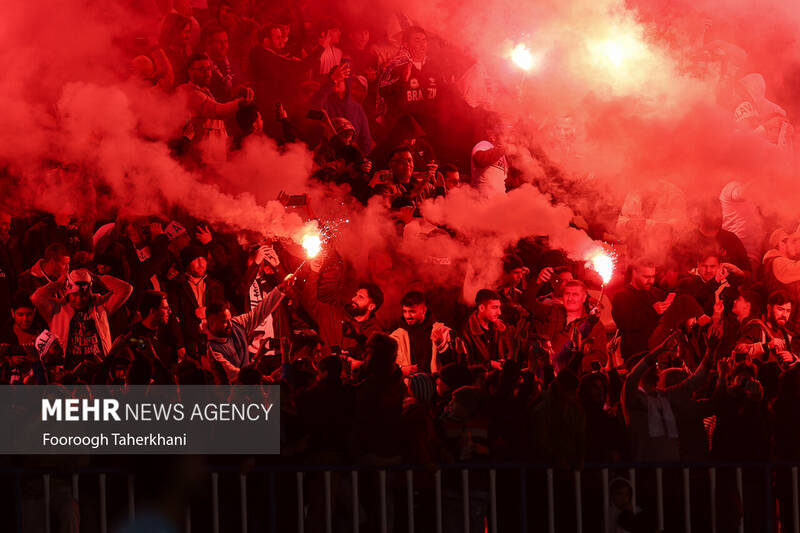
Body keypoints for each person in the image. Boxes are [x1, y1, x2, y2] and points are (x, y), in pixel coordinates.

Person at [31, 269, 132, 370]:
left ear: (89, 293)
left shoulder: (100, 306)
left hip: (99, 370)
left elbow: (126, 289)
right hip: (67, 372)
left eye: (83, 295)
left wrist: (97, 278)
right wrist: (59, 283)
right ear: (68, 292)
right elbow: (36, 298)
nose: (79, 300)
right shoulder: (57, 309)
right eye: (75, 294)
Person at [205, 275, 293, 382]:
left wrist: (281, 288)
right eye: (224, 322)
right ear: (212, 323)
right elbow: (236, 374)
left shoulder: (236, 323)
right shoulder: (214, 350)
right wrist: (265, 379)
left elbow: (260, 311)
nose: (230, 324)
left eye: (230, 319)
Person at [299, 257, 384, 359]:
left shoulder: (375, 334)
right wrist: (314, 272)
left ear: (371, 306)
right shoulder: (333, 314)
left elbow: (376, 364)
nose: (354, 299)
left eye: (360, 297)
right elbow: (309, 302)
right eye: (356, 295)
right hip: (325, 373)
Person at [177, 53, 254, 164]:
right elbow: (217, 111)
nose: (207, 73)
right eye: (201, 69)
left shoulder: (204, 91)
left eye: (208, 69)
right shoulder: (189, 93)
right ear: (189, 71)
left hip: (212, 156)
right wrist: (240, 102)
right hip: (202, 158)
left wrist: (237, 94)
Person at [536, 280, 608, 374]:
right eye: (567, 294)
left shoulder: (595, 325)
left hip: (573, 381)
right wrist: (538, 282)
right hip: (545, 377)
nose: (570, 298)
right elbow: (526, 301)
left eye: (575, 294)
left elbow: (600, 356)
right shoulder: (552, 312)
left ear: (584, 297)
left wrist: (573, 364)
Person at [168, 244, 225, 359]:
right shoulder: (177, 286)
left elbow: (224, 311)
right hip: (191, 343)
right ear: (188, 263)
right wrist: (180, 344)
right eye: (196, 259)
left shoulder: (215, 285)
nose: (201, 263)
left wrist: (208, 312)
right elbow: (172, 316)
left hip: (215, 342)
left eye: (203, 259)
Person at [611, 259, 673, 360]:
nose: (651, 281)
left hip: (660, 351)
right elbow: (624, 323)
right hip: (637, 353)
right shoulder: (622, 295)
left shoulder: (657, 293)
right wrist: (653, 311)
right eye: (646, 277)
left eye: (653, 276)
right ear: (634, 273)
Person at [389, 290, 454, 375]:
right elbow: (384, 367)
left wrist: (442, 346)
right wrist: (401, 370)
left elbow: (455, 365)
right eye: (405, 311)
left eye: (412, 311)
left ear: (424, 310)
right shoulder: (395, 337)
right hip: (407, 387)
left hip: (435, 386)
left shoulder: (444, 332)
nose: (407, 316)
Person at [735, 290, 797, 366]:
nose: (784, 315)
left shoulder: (788, 335)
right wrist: (767, 346)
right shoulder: (756, 328)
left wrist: (792, 358)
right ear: (769, 308)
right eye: (780, 309)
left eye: (788, 311)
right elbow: (739, 351)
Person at [126, 290, 185, 370]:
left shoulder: (168, 333)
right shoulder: (134, 336)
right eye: (165, 308)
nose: (170, 311)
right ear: (153, 311)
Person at [459, 289, 515, 367]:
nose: (499, 312)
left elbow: (508, 353)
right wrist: (489, 364)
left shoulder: (500, 328)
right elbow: (465, 366)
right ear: (481, 308)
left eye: (499, 307)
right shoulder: (466, 332)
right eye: (494, 307)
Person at [762, 225, 800, 332]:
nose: (796, 246)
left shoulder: (782, 262)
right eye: (793, 242)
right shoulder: (777, 262)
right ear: (781, 244)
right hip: (786, 327)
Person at [470, 120, 508, 198]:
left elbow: (502, 180)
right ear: (492, 137)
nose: (505, 139)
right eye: (502, 136)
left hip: (499, 203)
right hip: (482, 201)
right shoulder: (484, 144)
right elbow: (480, 159)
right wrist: (502, 149)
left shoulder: (502, 156)